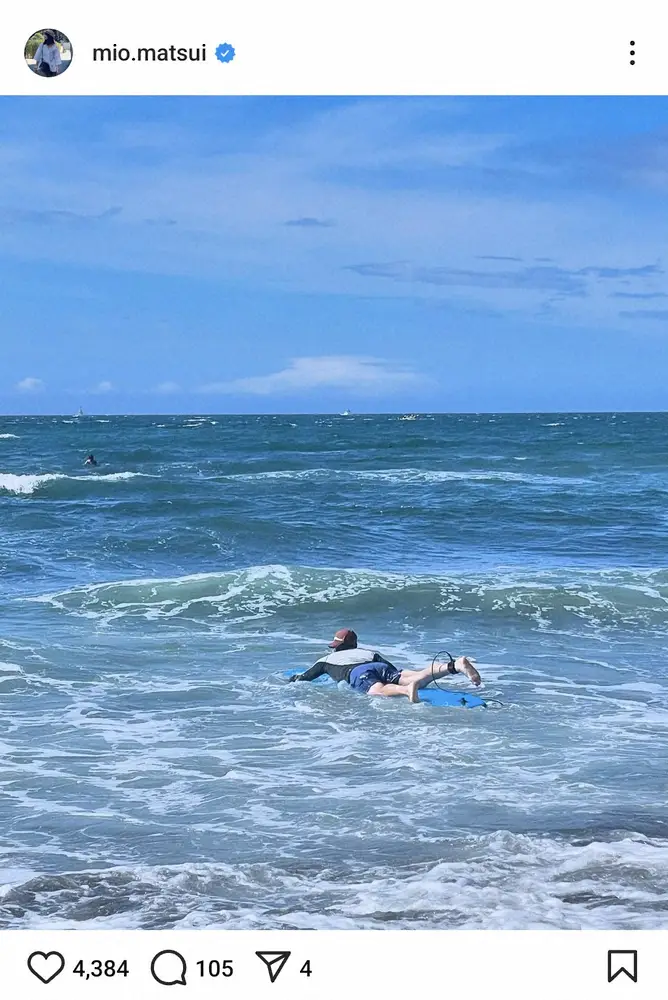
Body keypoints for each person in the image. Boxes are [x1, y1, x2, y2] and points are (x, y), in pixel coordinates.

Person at [289, 628, 481, 703]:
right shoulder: (367, 652)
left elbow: (304, 677)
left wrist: (292, 680)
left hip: (357, 673)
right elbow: (392, 669)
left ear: (337, 647)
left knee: (378, 689)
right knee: (411, 675)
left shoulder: (326, 660)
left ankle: (406, 692)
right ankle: (454, 666)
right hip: (377, 666)